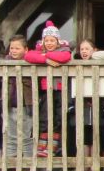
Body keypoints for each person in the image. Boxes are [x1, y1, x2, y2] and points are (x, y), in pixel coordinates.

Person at [24, 24, 72, 158]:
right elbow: (28, 56)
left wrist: (46, 55)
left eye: (52, 40)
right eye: (47, 40)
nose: (49, 43)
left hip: (60, 90)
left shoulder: (64, 50)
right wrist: (46, 60)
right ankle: (42, 145)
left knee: (57, 118)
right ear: (43, 41)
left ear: (58, 41)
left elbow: (64, 57)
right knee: (45, 117)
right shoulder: (39, 51)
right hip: (46, 90)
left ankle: (52, 146)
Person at [3, 35, 35, 160]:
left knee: (26, 137)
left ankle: (28, 164)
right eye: (12, 48)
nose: (14, 51)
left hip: (26, 105)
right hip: (10, 104)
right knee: (10, 136)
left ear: (25, 50)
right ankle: (10, 164)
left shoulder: (30, 62)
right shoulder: (6, 63)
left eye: (17, 48)